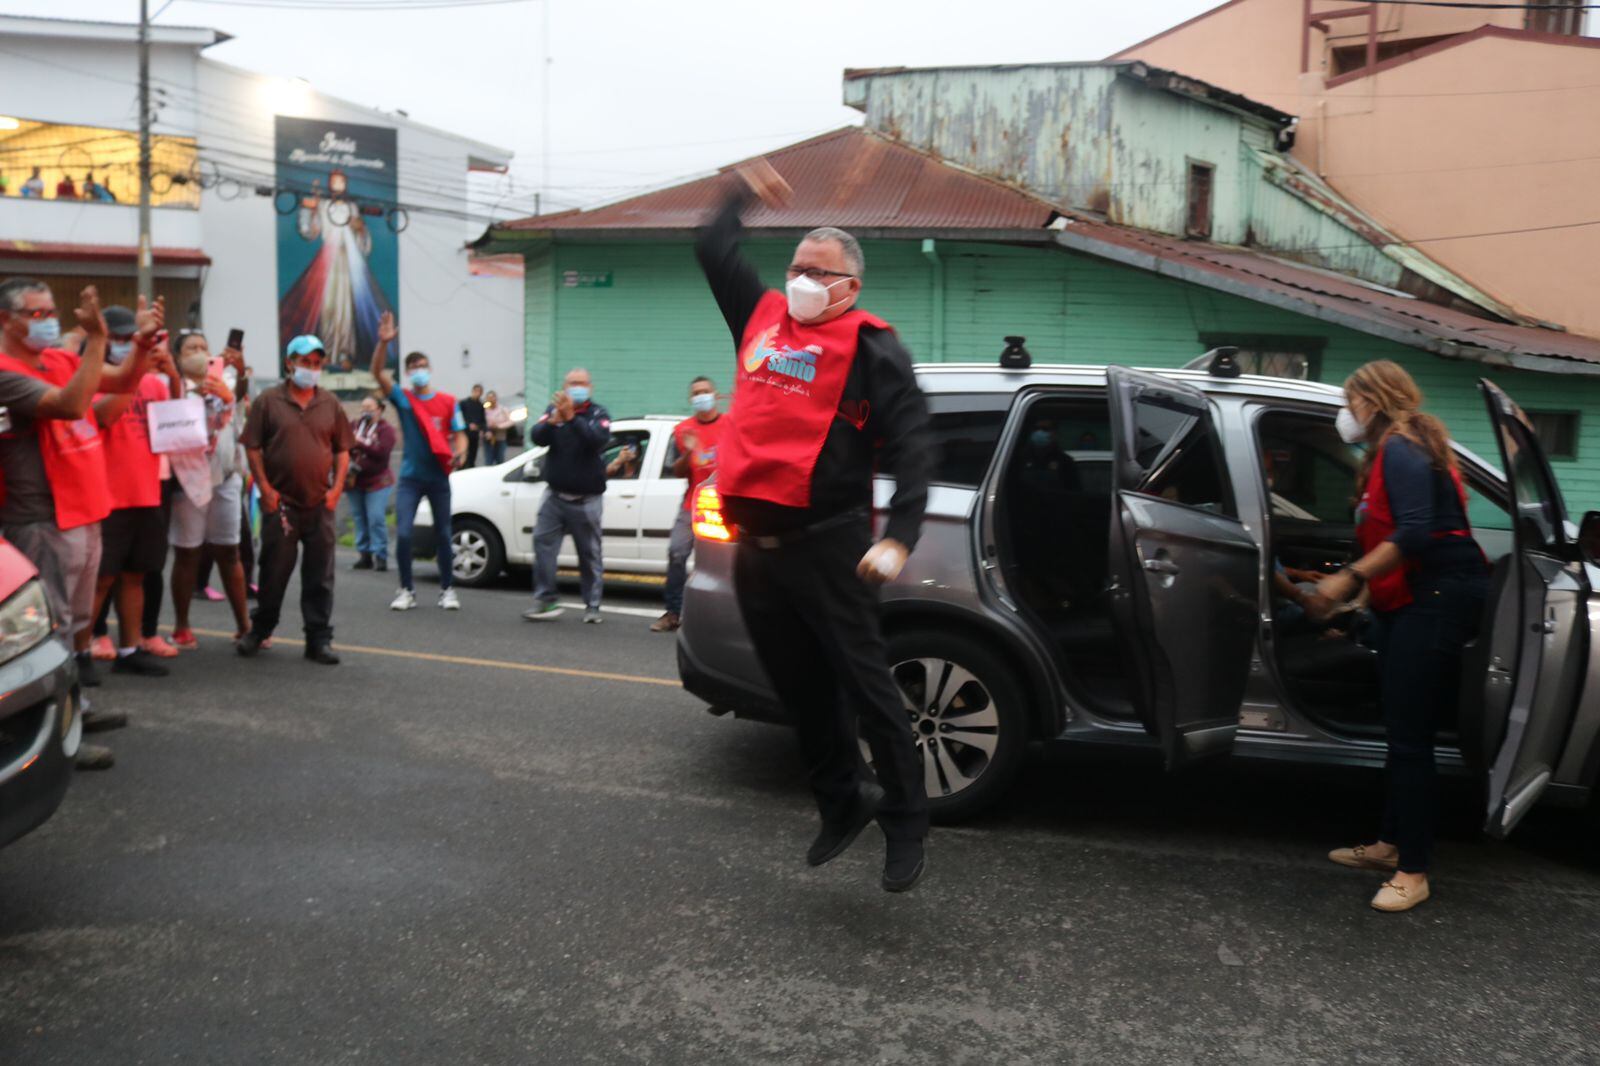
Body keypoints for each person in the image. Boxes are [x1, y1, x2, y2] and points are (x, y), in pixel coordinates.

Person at [695, 161, 934, 893]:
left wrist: (900, 532)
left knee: (867, 686)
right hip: (757, 550)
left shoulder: (872, 347)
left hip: (830, 544)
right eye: (797, 264)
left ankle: (904, 819)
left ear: (849, 287)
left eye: (818, 271)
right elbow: (712, 246)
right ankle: (843, 802)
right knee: (797, 688)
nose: (801, 278)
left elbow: (915, 438)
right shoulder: (762, 318)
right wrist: (743, 192)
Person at [1306, 360, 1489, 914]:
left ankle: (1414, 870)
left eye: (1348, 400)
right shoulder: (1399, 448)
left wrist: (1348, 577)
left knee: (1411, 739)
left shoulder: (1401, 449)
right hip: (1412, 599)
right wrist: (1361, 603)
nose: (1345, 413)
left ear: (1372, 400)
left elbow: (1413, 534)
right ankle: (1390, 845)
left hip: (1434, 600)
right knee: (1401, 731)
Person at [0, 279, 163, 768]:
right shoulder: (5, 373)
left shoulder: (56, 359)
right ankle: (53, 739)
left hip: (84, 509)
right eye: (37, 312)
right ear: (6, 320)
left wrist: (139, 346)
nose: (50, 318)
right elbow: (72, 404)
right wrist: (97, 340)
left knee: (74, 625)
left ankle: (75, 709)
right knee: (47, 632)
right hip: (41, 519)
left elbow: (115, 383)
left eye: (51, 309)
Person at [236, 335, 353, 663]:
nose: (311, 369)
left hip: (319, 504)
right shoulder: (269, 401)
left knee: (320, 576)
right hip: (281, 504)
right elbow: (252, 446)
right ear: (289, 363)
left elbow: (342, 449)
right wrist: (265, 488)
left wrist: (336, 490)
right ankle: (260, 630)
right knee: (274, 571)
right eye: (304, 362)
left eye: (316, 364)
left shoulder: (329, 403)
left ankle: (318, 640)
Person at [87, 305, 180, 678]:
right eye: (121, 339)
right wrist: (136, 369)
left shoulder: (154, 383)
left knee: (135, 575)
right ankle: (77, 654)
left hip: (146, 492)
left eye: (133, 339)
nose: (128, 345)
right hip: (107, 497)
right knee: (101, 580)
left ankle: (130, 648)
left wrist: (170, 374)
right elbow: (104, 416)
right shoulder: (92, 377)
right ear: (104, 341)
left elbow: (177, 424)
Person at [369, 312, 466, 611]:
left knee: (443, 533)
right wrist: (383, 343)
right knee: (406, 533)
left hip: (438, 477)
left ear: (430, 369)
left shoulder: (448, 401)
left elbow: (460, 434)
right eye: (413, 368)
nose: (419, 371)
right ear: (408, 373)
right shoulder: (403, 399)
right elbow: (377, 373)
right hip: (411, 477)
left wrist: (460, 452)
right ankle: (406, 590)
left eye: (422, 366)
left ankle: (447, 589)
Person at [167, 332, 251, 647]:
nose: (200, 353)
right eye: (192, 348)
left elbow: (241, 397)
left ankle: (244, 625)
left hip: (226, 477)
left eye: (204, 347)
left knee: (230, 551)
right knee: (188, 552)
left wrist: (239, 373)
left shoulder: (224, 380)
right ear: (177, 357)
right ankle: (181, 626)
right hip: (189, 482)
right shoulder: (172, 387)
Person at [522, 368, 611, 623]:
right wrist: (553, 421)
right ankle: (546, 600)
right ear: (564, 386)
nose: (577, 387)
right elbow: (536, 437)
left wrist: (572, 418)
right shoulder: (554, 411)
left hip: (587, 501)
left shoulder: (598, 414)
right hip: (554, 497)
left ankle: (592, 606)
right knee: (542, 545)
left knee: (589, 554)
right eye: (572, 383)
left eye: (581, 383)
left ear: (590, 388)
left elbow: (598, 440)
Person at [653, 376, 724, 633]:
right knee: (676, 552)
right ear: (690, 399)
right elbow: (677, 471)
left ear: (715, 395)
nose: (701, 396)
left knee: (726, 563)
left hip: (725, 506)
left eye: (705, 391)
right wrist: (689, 452)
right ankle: (672, 613)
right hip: (691, 507)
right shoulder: (683, 430)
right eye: (696, 393)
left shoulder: (731, 425)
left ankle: (724, 618)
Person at [348, 391, 397, 571]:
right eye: (363, 408)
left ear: (380, 410)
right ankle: (364, 554)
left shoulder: (386, 430)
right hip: (355, 480)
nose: (365, 411)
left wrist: (358, 443)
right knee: (359, 518)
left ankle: (381, 555)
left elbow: (381, 453)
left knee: (376, 518)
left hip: (378, 481)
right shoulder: (354, 426)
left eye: (369, 408)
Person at [460, 384, 486, 468]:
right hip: (465, 433)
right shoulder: (464, 403)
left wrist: (482, 428)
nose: (477, 393)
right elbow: (459, 417)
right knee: (464, 453)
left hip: (475, 434)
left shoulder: (480, 405)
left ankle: (471, 469)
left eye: (480, 392)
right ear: (472, 391)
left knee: (473, 454)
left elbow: (483, 420)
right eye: (476, 391)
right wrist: (468, 425)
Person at [484, 390, 512, 466]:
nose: (491, 399)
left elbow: (510, 421)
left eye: (492, 397)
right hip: (488, 438)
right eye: (489, 398)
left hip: (500, 437)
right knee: (488, 460)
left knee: (500, 459)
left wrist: (498, 426)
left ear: (496, 398)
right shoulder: (484, 410)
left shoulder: (503, 409)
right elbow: (481, 422)